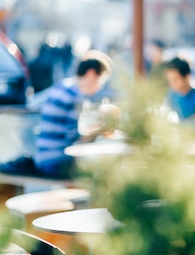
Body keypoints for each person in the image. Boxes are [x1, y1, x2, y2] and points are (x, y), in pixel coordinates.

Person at [0, 50, 116, 179]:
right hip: (56, 162)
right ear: (91, 74)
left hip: (44, 159)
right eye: (101, 81)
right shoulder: (74, 96)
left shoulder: (62, 87)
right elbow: (73, 139)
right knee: (101, 175)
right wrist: (102, 128)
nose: (99, 88)